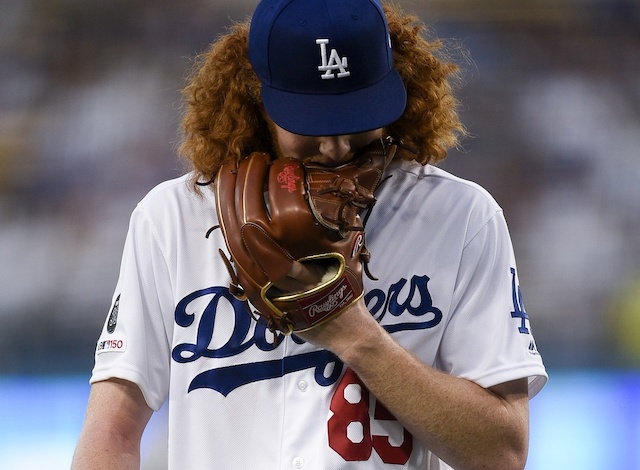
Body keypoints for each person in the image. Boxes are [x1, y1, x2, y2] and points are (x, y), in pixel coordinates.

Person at [72, 0, 547, 469]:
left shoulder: (459, 216)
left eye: (357, 116)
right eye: (312, 122)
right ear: (256, 96)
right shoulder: (173, 217)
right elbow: (111, 435)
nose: (337, 146)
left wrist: (354, 334)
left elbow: (501, 453)